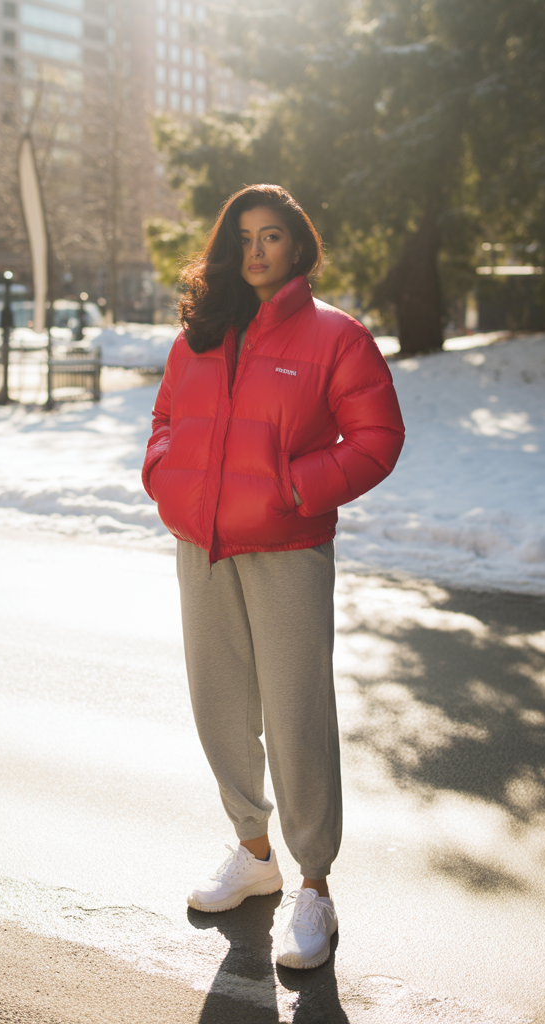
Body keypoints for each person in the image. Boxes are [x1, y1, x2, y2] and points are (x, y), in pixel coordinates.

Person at [142, 184, 405, 969]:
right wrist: (165, 478)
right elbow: (163, 423)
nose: (257, 251)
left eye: (273, 237)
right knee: (218, 706)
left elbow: (377, 438)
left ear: (298, 246)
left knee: (295, 715)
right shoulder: (197, 337)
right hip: (203, 547)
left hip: (288, 549)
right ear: (229, 248)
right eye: (245, 237)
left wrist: (294, 489)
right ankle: (255, 855)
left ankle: (315, 886)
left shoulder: (335, 337)